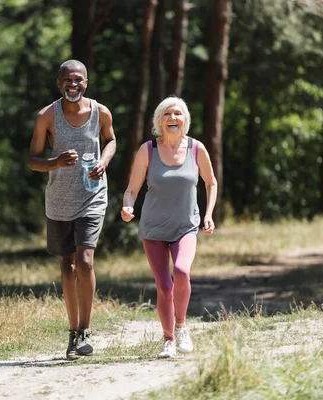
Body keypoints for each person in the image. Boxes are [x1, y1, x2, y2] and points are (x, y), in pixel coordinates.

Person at [28, 59, 117, 360]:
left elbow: (112, 140)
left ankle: (86, 331)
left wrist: (104, 162)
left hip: (92, 196)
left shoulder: (100, 112)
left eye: (78, 79)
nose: (73, 84)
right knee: (67, 267)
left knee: (85, 261)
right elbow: (32, 160)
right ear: (59, 83)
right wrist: (55, 163)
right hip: (59, 200)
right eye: (67, 80)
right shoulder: (46, 116)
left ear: (86, 83)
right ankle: (72, 332)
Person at [121, 96, 217, 358]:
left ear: (185, 120)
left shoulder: (196, 149)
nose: (172, 118)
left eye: (177, 114)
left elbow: (211, 183)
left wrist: (208, 214)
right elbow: (131, 189)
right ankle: (168, 339)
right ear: (158, 121)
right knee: (164, 286)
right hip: (153, 229)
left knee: (182, 271)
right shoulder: (148, 150)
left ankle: (182, 326)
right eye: (166, 114)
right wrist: (128, 207)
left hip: (186, 226)